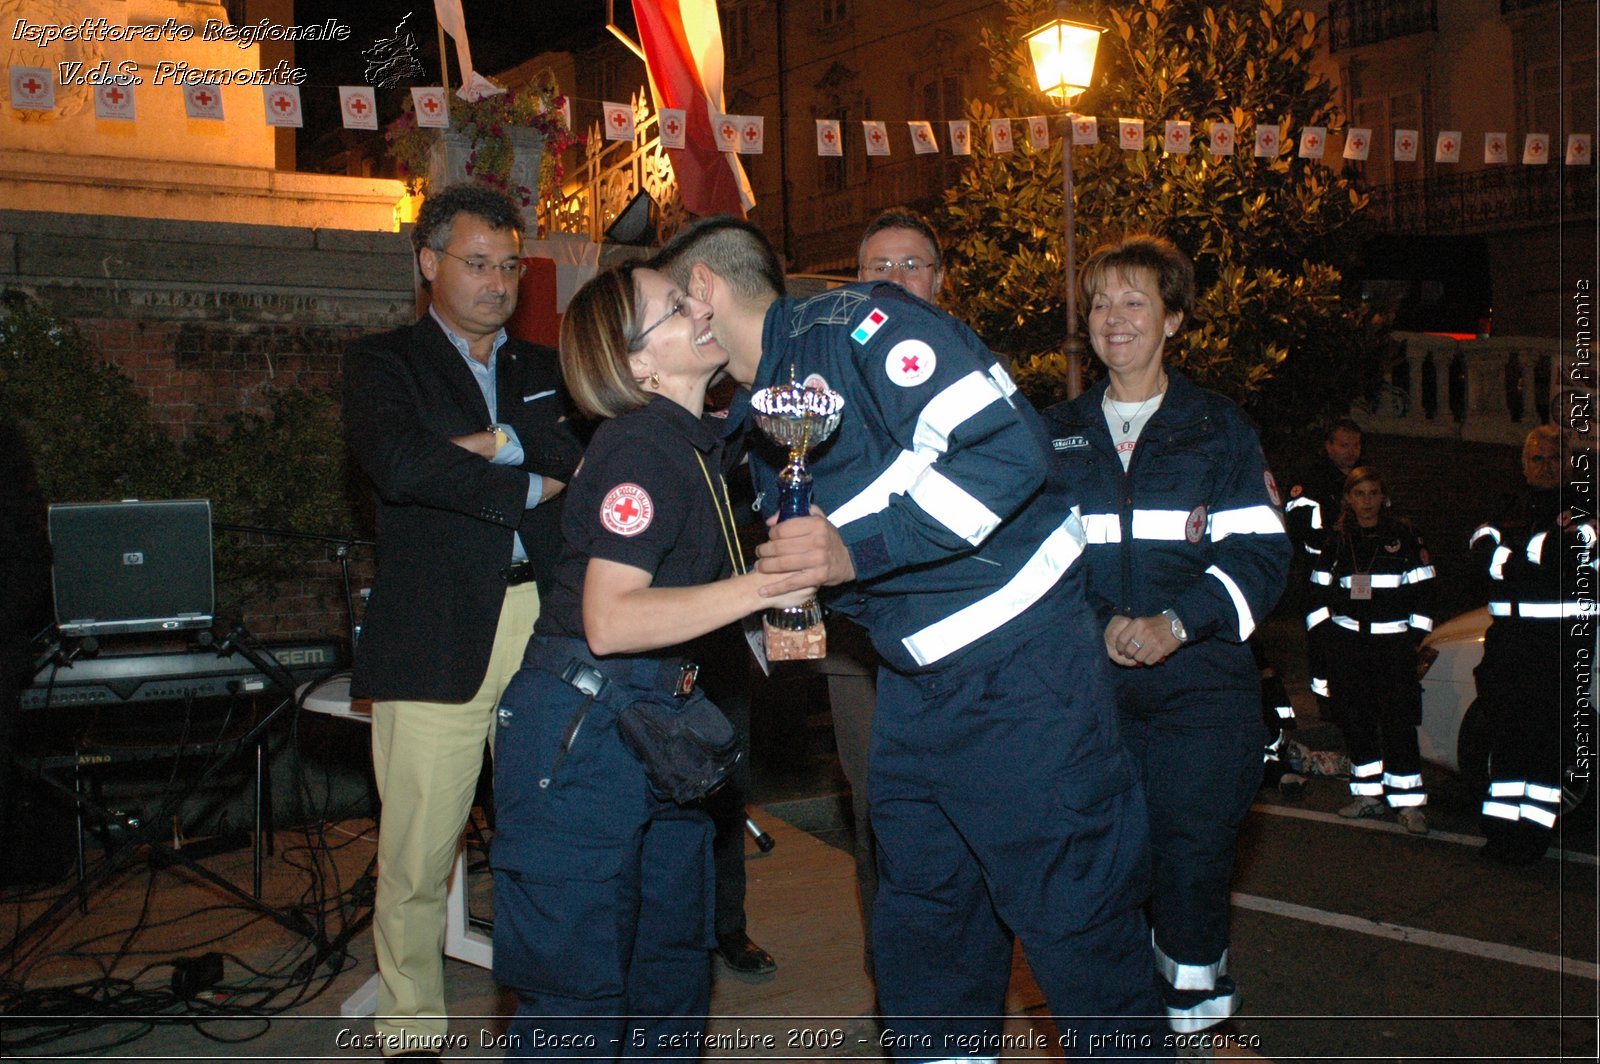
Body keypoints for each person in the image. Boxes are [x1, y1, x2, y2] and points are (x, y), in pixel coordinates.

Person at [653, 216, 1164, 1058]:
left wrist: (856, 553)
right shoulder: (754, 416)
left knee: (1080, 938)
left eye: (659, 309)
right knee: (925, 938)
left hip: (1020, 676)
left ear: (703, 294)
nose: (650, 336)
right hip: (914, 688)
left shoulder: (856, 325)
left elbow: (1006, 453)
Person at [488, 263, 814, 1056]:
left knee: (670, 973)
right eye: (675, 307)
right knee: (578, 1001)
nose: (701, 307)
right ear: (637, 363)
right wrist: (761, 587)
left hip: (659, 727)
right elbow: (609, 618)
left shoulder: (694, 440)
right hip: (584, 735)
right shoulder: (640, 450)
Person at [343, 182, 583, 1058]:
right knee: (417, 854)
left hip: (544, 622)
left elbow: (576, 458)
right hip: (437, 632)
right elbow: (402, 469)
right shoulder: (383, 364)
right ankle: (411, 1031)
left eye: (509, 265)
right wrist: (516, 456)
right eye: (477, 264)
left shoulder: (545, 368)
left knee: (545, 832)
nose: (497, 282)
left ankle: (547, 1014)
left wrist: (482, 453)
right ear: (428, 263)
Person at [1045, 235, 1290, 1038]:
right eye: (1101, 303)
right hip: (1088, 694)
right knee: (1095, 871)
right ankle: (1116, 1032)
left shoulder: (1217, 429)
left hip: (1201, 695)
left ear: (1175, 319)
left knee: (1190, 868)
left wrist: (1177, 624)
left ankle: (1192, 1027)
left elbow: (1260, 555)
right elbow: (1032, 562)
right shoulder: (1051, 434)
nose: (1114, 319)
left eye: (1135, 301)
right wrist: (1098, 626)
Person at [815, 206, 950, 977]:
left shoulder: (974, 369)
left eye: (912, 266)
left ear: (940, 282)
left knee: (975, 814)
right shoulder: (819, 383)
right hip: (866, 651)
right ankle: (897, 983)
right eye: (879, 269)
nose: (896, 280)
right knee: (884, 819)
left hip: (973, 642)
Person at [1472, 425, 1590, 864]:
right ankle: (1499, 832)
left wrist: (1514, 555)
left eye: (1555, 459)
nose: (1546, 467)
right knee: (1505, 740)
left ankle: (1532, 842)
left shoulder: (1585, 505)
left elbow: (1567, 558)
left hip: (1559, 648)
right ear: (1524, 464)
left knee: (1546, 748)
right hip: (1507, 646)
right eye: (1538, 459)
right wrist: (1534, 555)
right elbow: (1480, 554)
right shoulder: (1505, 502)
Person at [1304, 467, 1436, 834]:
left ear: (1384, 497)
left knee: (1399, 724)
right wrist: (1329, 642)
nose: (1366, 501)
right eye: (1359, 494)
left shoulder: (1405, 537)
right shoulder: (1337, 541)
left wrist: (1412, 642)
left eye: (1373, 493)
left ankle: (1409, 804)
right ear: (1348, 498)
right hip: (1349, 645)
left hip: (1393, 646)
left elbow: (1425, 593)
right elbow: (1316, 595)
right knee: (1357, 721)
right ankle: (1367, 797)